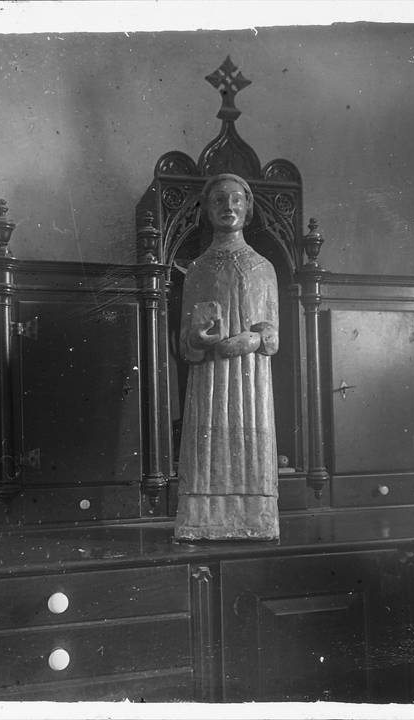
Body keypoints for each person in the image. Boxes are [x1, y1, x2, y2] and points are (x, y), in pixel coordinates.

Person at [174, 173, 281, 541]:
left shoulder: (264, 268)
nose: (228, 206)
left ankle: (256, 519)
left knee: (252, 445)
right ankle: (201, 520)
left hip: (251, 380)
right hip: (210, 381)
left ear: (248, 207)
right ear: (207, 209)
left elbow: (273, 335)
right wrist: (198, 338)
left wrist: (254, 339)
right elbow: (185, 342)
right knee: (207, 447)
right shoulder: (197, 270)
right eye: (219, 199)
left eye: (236, 199)